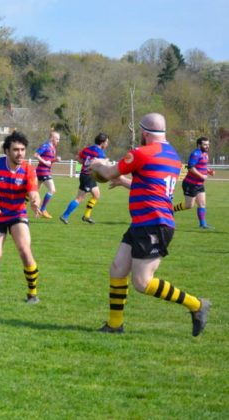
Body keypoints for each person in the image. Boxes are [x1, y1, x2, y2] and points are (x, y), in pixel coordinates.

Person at [90, 113, 211, 336]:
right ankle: (115, 325)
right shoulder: (172, 156)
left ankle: (197, 305)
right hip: (143, 222)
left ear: (145, 133)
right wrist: (124, 181)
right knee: (118, 269)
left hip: (153, 223)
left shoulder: (142, 152)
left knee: (142, 282)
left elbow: (107, 173)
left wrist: (97, 163)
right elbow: (151, 186)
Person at [0, 131, 43, 304]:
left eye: (22, 150)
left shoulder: (28, 169)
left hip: (17, 214)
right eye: (15, 150)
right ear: (7, 151)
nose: (20, 153)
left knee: (25, 249)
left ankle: (32, 294)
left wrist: (35, 202)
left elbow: (34, 193)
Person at [60, 133, 109, 224]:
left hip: (88, 176)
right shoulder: (100, 153)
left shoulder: (87, 149)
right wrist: (105, 162)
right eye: (106, 142)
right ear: (102, 142)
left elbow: (77, 158)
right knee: (79, 198)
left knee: (96, 195)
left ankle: (86, 216)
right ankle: (65, 216)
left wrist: (86, 163)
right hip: (87, 176)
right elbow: (102, 165)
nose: (107, 144)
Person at [172, 136, 215, 228]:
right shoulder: (196, 153)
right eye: (205, 144)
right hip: (190, 184)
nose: (207, 146)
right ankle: (171, 210)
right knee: (189, 205)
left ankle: (203, 224)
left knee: (202, 203)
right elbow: (191, 167)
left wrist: (209, 171)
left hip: (199, 184)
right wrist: (202, 176)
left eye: (208, 144)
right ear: (199, 145)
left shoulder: (205, 154)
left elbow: (201, 166)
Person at [33, 130, 61, 219]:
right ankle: (43, 209)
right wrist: (44, 162)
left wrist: (55, 160)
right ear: (52, 138)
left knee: (34, 192)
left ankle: (21, 207)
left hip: (43, 170)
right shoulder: (45, 146)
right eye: (57, 139)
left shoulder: (53, 148)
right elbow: (36, 155)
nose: (58, 141)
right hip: (43, 171)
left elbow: (49, 161)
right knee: (52, 190)